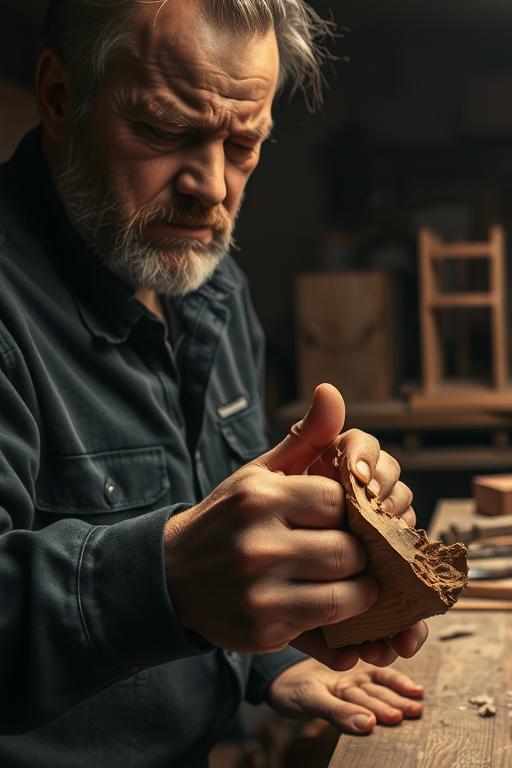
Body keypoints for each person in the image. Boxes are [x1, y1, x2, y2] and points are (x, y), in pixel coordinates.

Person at [0, 1, 427, 765]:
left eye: (244, 143)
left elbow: (224, 532)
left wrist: (281, 640)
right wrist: (164, 582)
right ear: (62, 98)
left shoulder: (210, 285)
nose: (211, 187)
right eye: (165, 131)